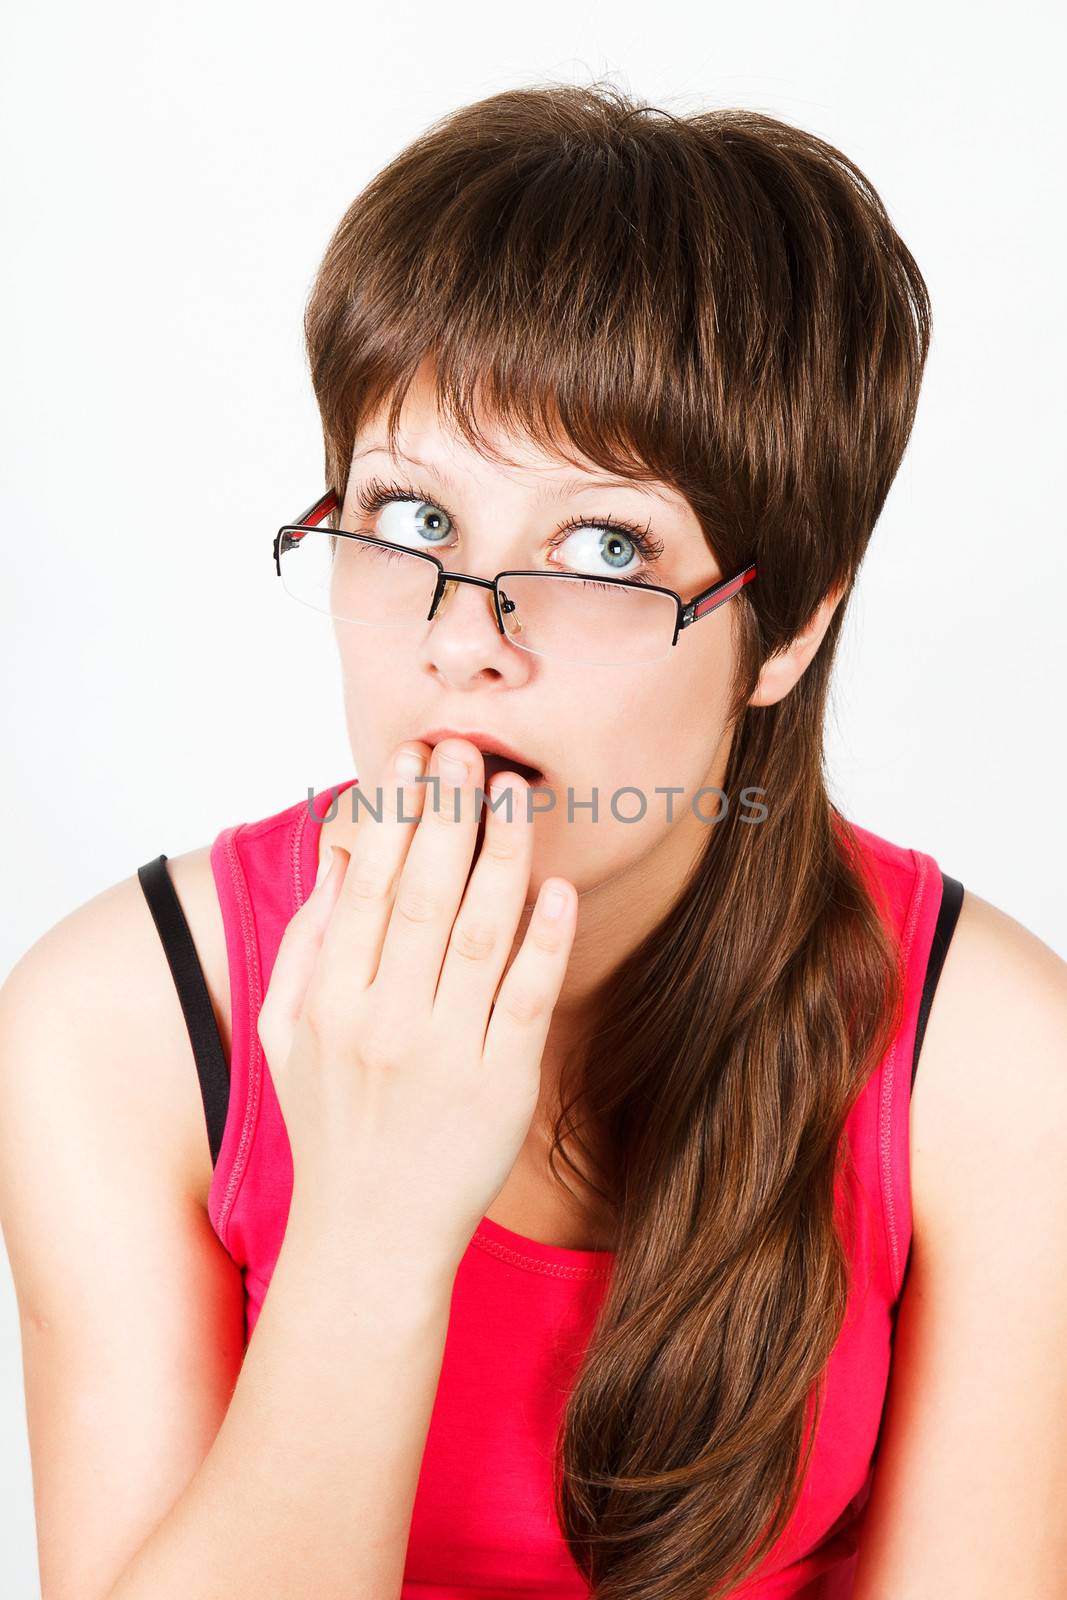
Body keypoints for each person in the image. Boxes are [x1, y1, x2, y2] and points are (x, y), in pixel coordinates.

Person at [2, 82, 1066, 1600]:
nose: (463, 640)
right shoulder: (120, 1026)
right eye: (416, 518)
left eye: (604, 546)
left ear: (787, 629)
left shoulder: (994, 1061)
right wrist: (370, 1223)